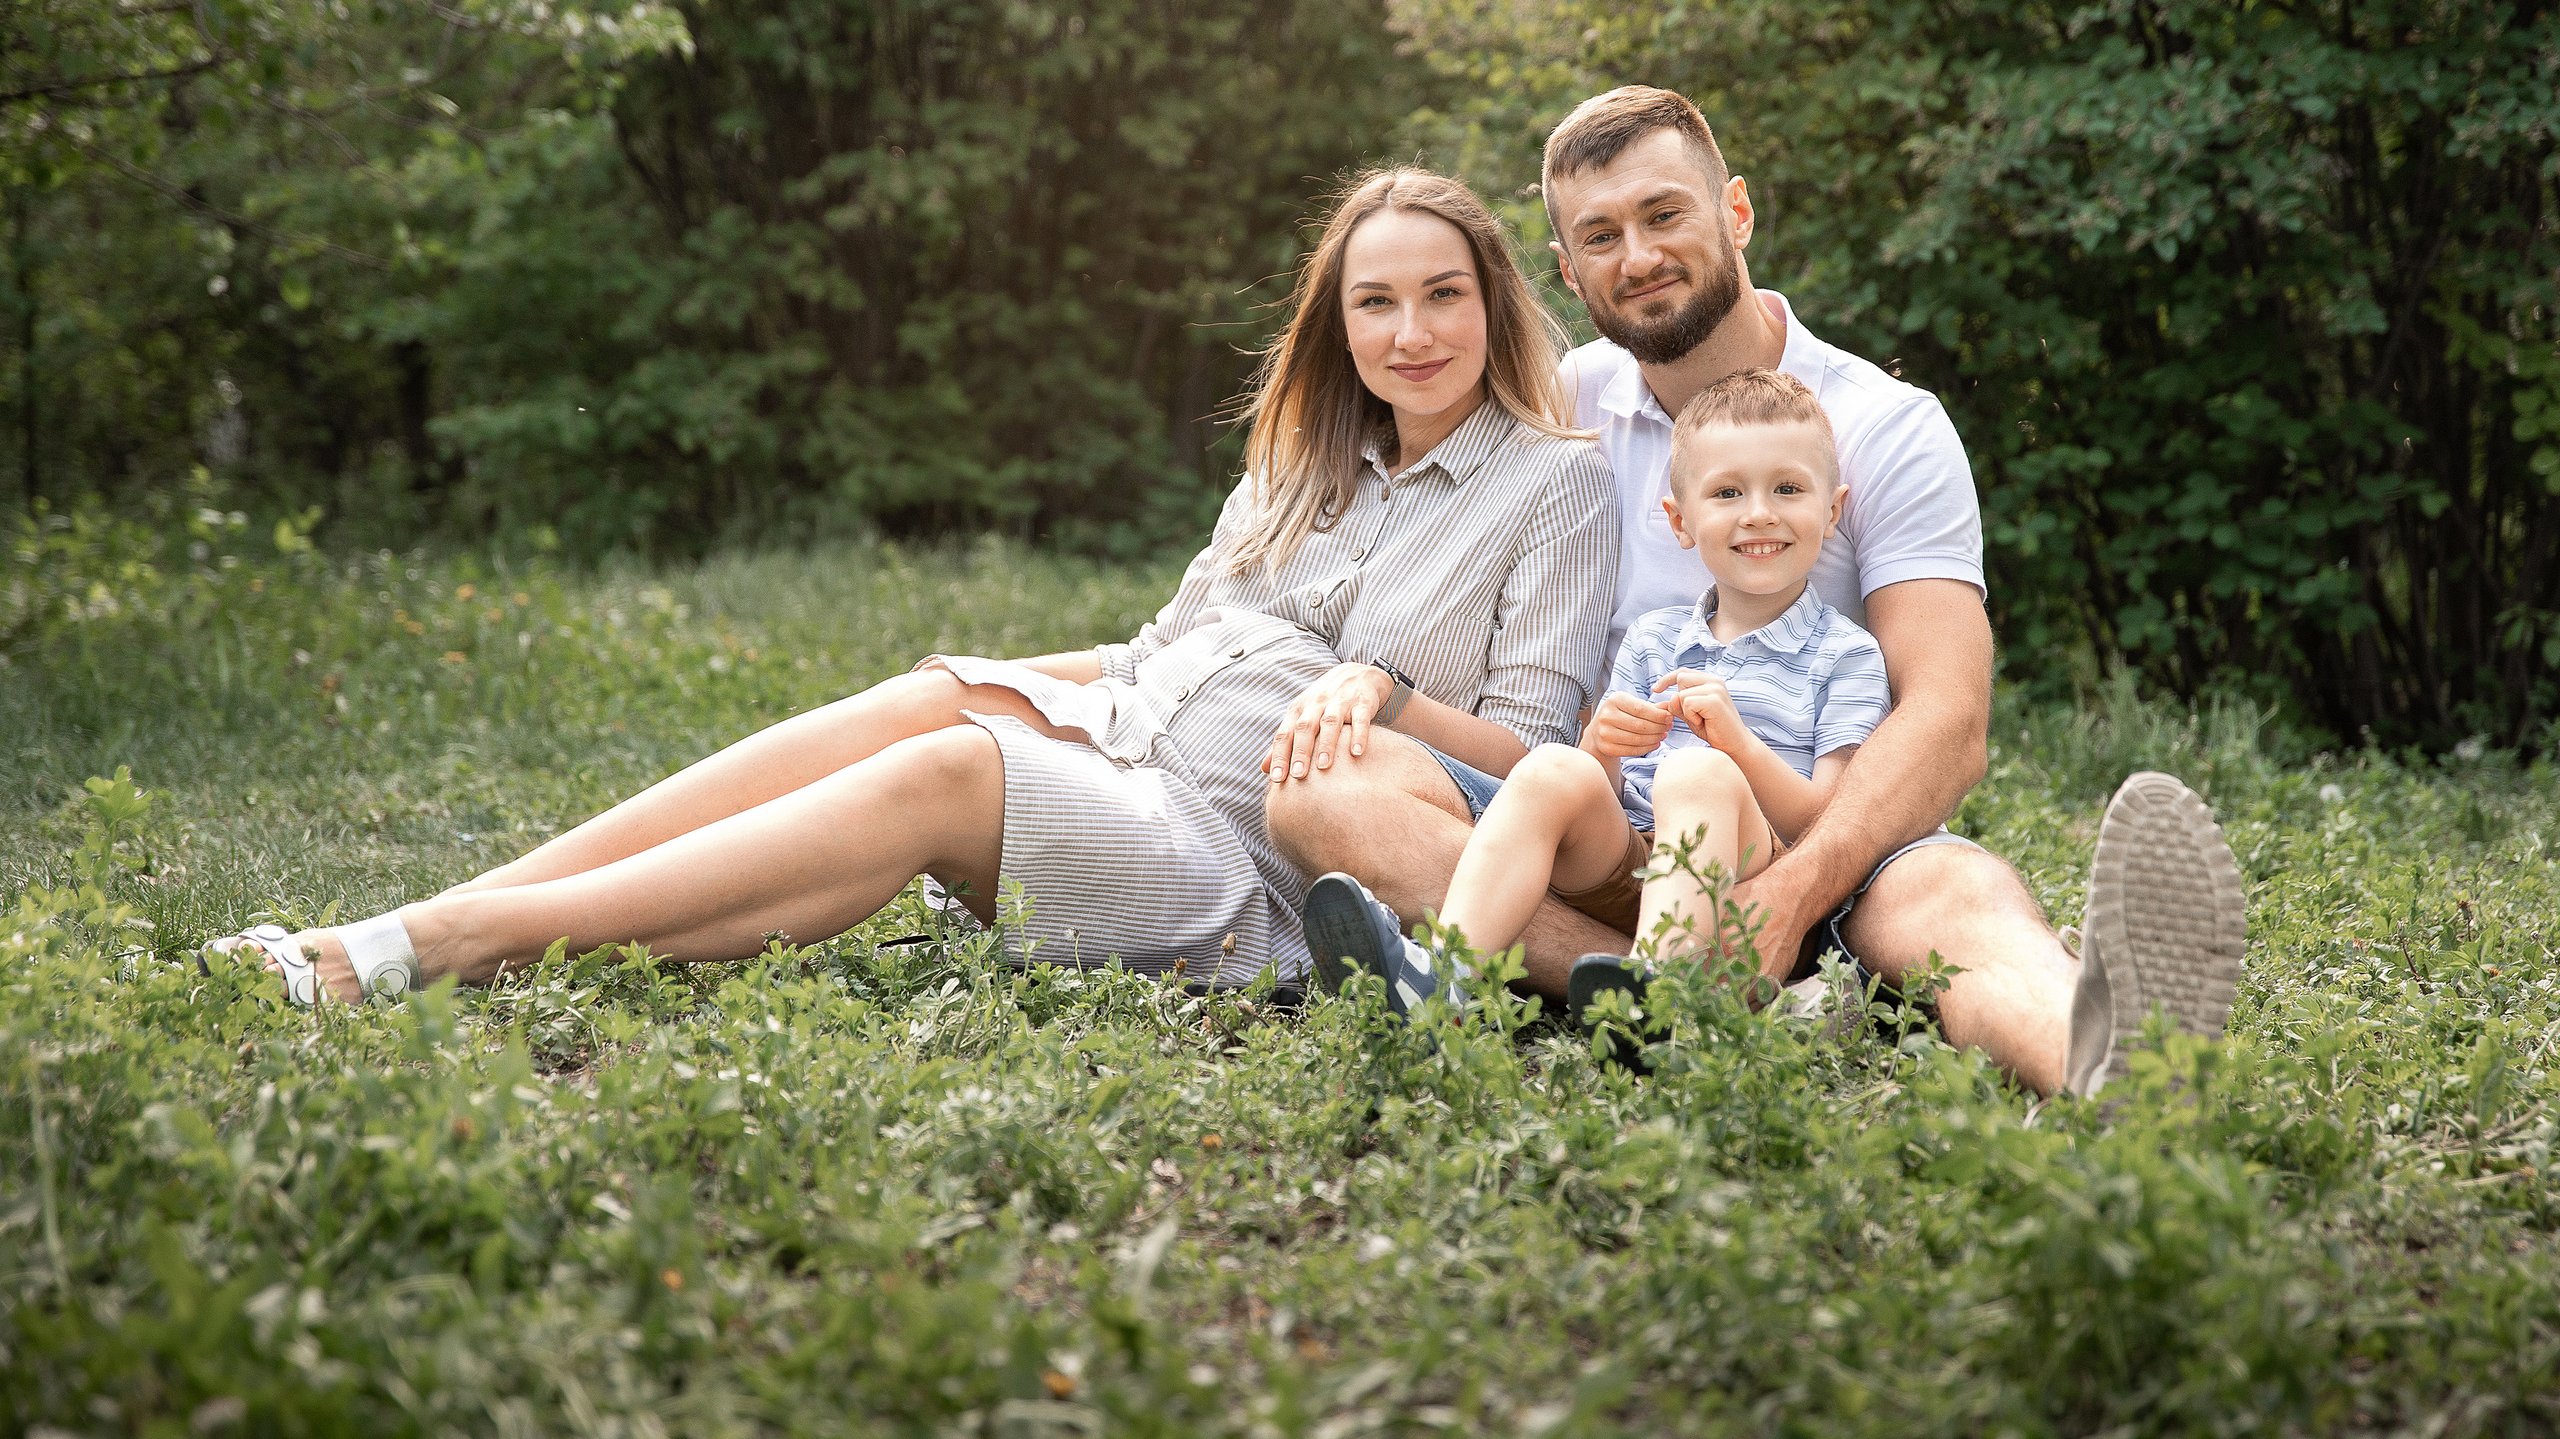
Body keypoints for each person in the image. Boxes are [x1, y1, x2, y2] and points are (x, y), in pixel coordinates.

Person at [203, 169, 1619, 1006]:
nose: (1412, 330)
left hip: (1246, 854)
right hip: (1144, 733)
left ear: (1494, 301)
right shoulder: (1305, 456)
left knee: (947, 770)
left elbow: (1534, 765)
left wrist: (1386, 686)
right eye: (1377, 301)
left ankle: (433, 948)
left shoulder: (1552, 480)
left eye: (1444, 294)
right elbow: (1172, 640)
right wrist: (1008, 673)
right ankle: (430, 911)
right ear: (1339, 320)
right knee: (936, 689)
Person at [1267, 88, 2247, 1098]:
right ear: (1567, 269)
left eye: (1663, 214)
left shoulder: (1883, 426)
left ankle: (2121, 1067)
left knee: (1962, 902)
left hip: (1832, 847)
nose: (1636, 255)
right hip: (1614, 838)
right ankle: (1673, 994)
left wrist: (1791, 888)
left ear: (1734, 213)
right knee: (1326, 788)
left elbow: (1947, 718)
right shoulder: (1560, 404)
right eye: (1599, 235)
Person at [1304, 367, 1888, 1017]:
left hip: (1759, 889)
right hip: (1637, 870)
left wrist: (1739, 746)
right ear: (1681, 519)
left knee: (1695, 772)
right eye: (1726, 492)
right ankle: (1444, 976)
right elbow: (1609, 791)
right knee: (1558, 765)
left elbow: (1827, 823)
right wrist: (1601, 749)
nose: (1758, 512)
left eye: (1787, 487)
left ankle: (1661, 997)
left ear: (1831, 509)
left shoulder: (1846, 655)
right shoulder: (1652, 639)